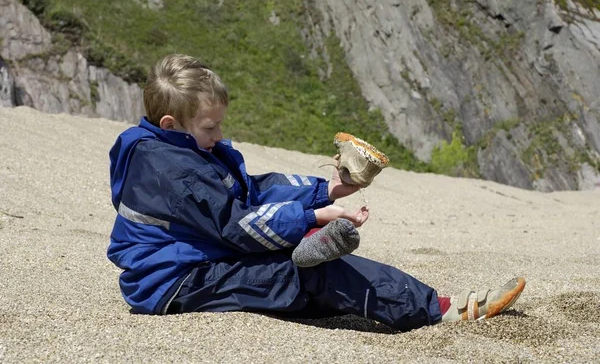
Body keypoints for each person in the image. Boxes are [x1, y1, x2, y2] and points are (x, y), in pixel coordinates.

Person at [107, 54, 526, 331]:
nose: (220, 134)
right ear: (169, 124)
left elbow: (252, 192)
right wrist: (312, 219)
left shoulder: (182, 150)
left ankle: (314, 256)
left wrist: (326, 190)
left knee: (314, 287)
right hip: (175, 282)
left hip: (199, 260)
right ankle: (443, 309)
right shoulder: (175, 171)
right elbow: (236, 227)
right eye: (210, 127)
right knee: (312, 273)